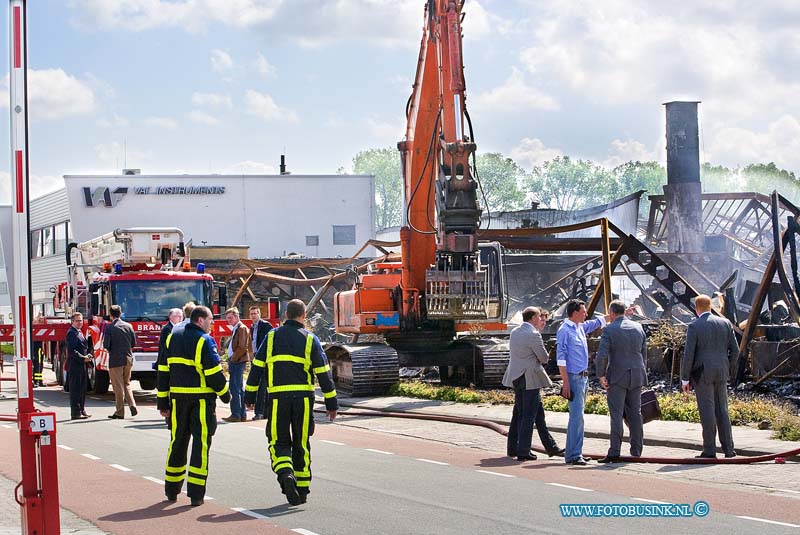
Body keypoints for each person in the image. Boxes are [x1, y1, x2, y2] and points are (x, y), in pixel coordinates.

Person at [245, 299, 337, 506]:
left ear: (286, 315)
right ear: (303, 316)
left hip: (278, 399)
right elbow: (324, 374)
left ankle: (286, 472)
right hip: (303, 400)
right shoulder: (310, 339)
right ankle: (302, 489)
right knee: (301, 442)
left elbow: (256, 370)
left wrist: (249, 398)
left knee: (278, 441)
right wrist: (331, 404)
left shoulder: (270, 338)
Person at [157, 306, 231, 506]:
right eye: (209, 320)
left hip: (177, 401)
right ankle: (196, 495)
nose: (212, 323)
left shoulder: (172, 337)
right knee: (200, 446)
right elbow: (214, 374)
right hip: (201, 402)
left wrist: (162, 402)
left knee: (177, 443)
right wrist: (226, 396)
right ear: (200, 320)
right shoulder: (204, 341)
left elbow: (163, 370)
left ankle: (171, 490)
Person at [680, 294, 739, 459]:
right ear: (710, 307)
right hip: (721, 372)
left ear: (697, 308)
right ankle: (729, 450)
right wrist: (728, 367)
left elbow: (689, 355)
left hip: (703, 374)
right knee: (722, 410)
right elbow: (735, 351)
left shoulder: (694, 326)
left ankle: (710, 451)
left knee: (707, 411)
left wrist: (685, 379)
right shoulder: (725, 323)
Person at [503, 306, 562, 461]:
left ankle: (516, 448)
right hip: (530, 378)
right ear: (533, 318)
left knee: (522, 413)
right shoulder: (533, 334)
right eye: (538, 317)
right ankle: (523, 450)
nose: (540, 319)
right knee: (529, 415)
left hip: (516, 376)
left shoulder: (515, 332)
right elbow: (543, 358)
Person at [557, 299, 608, 465]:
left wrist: (614, 315)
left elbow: (596, 323)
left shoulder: (579, 327)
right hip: (574, 378)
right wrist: (566, 382)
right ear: (575, 312)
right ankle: (573, 455)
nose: (587, 314)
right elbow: (561, 359)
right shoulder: (565, 330)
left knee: (578, 417)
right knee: (577, 417)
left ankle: (574, 452)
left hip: (583, 378)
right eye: (584, 311)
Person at [595, 300, 647, 463]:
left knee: (616, 414)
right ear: (624, 311)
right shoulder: (638, 327)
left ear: (611, 313)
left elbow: (602, 355)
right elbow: (643, 353)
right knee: (636, 413)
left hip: (617, 376)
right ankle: (636, 450)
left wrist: (600, 375)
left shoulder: (609, 329)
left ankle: (614, 451)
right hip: (637, 374)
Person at [104, 305, 138, 419]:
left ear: (111, 315)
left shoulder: (109, 328)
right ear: (121, 313)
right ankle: (132, 404)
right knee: (127, 383)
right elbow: (134, 343)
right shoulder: (129, 326)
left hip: (115, 360)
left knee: (117, 386)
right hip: (128, 358)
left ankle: (119, 412)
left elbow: (106, 345)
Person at [222, 307, 251, 423]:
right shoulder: (237, 328)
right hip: (237, 360)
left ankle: (236, 414)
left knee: (235, 388)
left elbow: (242, 347)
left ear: (236, 316)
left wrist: (233, 359)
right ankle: (241, 414)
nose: (228, 320)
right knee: (238, 388)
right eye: (227, 318)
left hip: (238, 361)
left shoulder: (241, 328)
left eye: (230, 317)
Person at [65, 312, 92, 420]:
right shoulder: (71, 333)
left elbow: (84, 347)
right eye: (77, 321)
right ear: (72, 321)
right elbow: (72, 350)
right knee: (75, 389)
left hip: (82, 365)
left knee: (82, 389)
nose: (80, 322)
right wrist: (82, 358)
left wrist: (88, 355)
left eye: (81, 320)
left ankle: (82, 409)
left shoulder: (80, 332)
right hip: (75, 365)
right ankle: (75, 413)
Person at [249, 305, 273, 421]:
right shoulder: (252, 327)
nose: (253, 316)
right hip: (255, 358)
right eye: (252, 314)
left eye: (255, 313)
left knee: (262, 386)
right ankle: (266, 412)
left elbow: (269, 342)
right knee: (262, 385)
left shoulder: (265, 326)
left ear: (259, 314)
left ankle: (259, 412)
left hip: (264, 359)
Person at [32, 314, 45, 387]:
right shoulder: (35, 329)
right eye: (39, 320)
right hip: (36, 347)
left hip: (39, 348)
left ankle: (39, 381)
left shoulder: (42, 330)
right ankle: (36, 381)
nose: (41, 322)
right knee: (37, 364)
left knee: (40, 364)